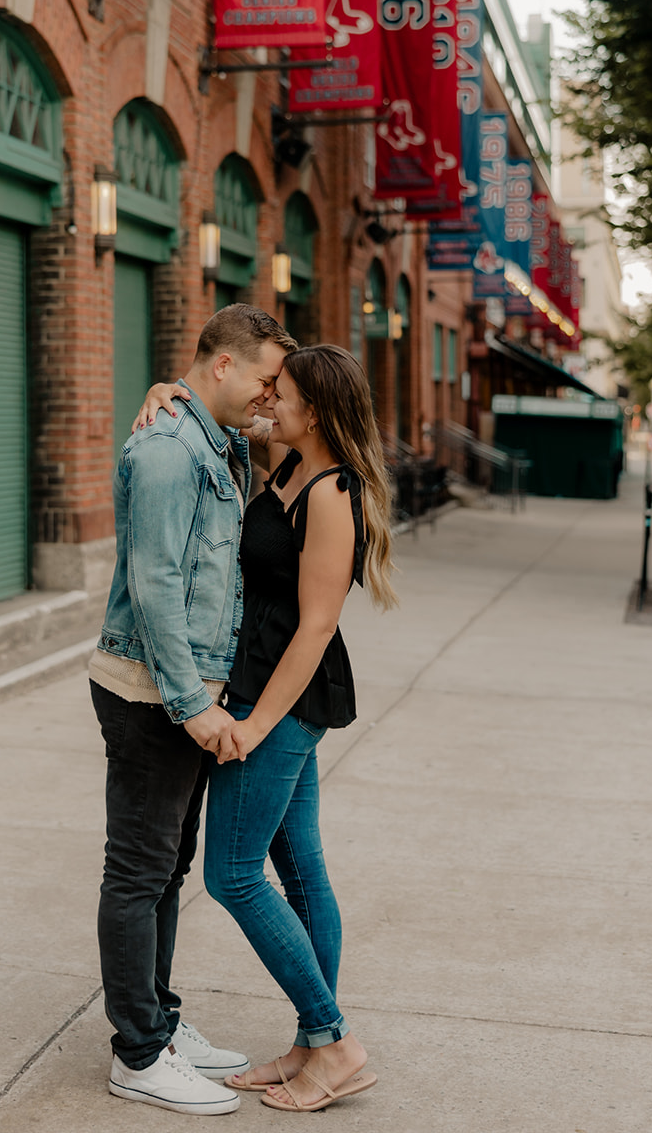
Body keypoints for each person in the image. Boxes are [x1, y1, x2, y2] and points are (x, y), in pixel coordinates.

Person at [135, 344, 397, 1114]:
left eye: (278, 393)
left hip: (279, 696)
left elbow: (316, 627)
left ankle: (334, 1039)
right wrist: (161, 391)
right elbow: (200, 402)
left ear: (313, 412)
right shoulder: (280, 461)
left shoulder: (328, 490)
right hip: (262, 683)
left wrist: (252, 726)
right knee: (301, 866)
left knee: (233, 876)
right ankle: (314, 1047)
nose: (265, 401)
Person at [89, 302, 297, 1115]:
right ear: (221, 366)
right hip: (152, 694)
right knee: (137, 872)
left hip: (185, 694)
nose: (269, 397)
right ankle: (137, 1053)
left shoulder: (218, 440)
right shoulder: (172, 450)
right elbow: (154, 588)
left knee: (166, 870)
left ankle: (160, 1024)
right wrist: (189, 704)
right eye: (263, 379)